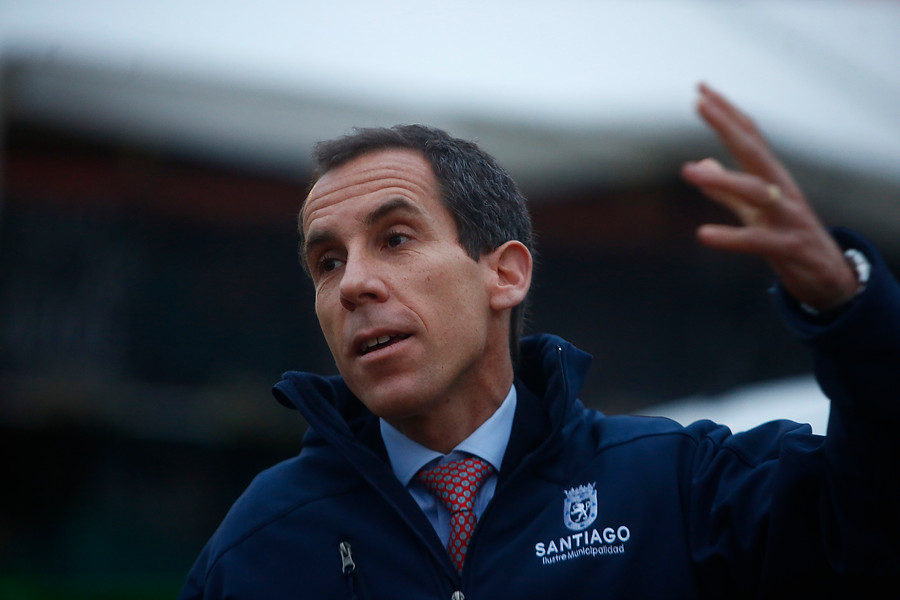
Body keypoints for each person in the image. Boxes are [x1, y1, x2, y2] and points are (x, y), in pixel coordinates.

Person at [178, 84, 900, 598]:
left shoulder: (673, 488)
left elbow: (868, 531)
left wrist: (854, 309)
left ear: (505, 274)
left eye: (395, 239)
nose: (353, 285)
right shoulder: (259, 545)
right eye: (327, 262)